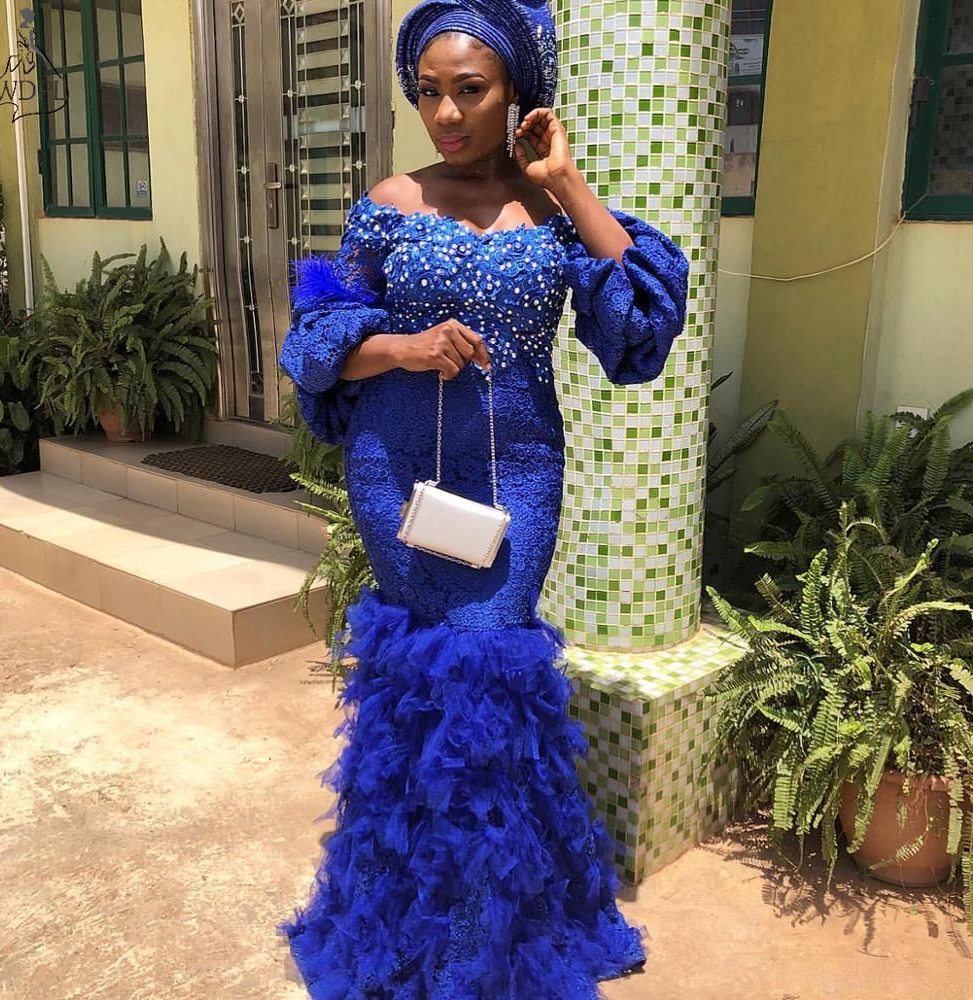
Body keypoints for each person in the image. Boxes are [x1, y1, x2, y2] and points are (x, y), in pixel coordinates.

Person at [276, 1, 690, 996]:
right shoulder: (390, 201)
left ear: (516, 92)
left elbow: (643, 322)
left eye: (471, 90)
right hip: (399, 475)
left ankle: (487, 937)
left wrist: (565, 181)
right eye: (428, 92)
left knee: (491, 675)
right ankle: (407, 924)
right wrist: (405, 346)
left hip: (517, 476)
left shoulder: (550, 209)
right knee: (422, 684)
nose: (447, 114)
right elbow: (316, 345)